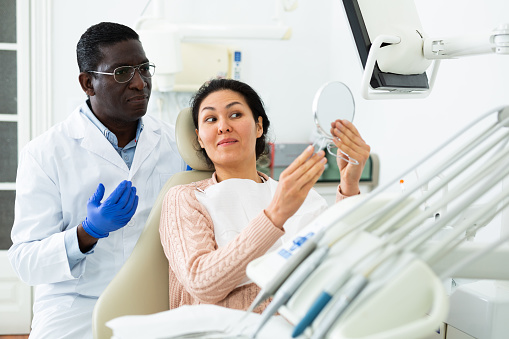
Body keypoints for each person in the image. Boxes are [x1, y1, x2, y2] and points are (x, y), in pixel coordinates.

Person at [8, 22, 187, 338]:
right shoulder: (46, 153)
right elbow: (25, 262)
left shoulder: (175, 144)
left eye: (144, 69)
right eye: (122, 73)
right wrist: (86, 233)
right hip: (76, 310)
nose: (139, 83)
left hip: (157, 304)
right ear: (88, 83)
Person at [159, 79, 370, 313]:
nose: (223, 126)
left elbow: (340, 262)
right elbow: (202, 282)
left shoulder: (296, 193)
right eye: (211, 119)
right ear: (200, 138)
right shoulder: (185, 198)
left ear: (259, 126)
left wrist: (349, 185)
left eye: (236, 114)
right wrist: (276, 215)